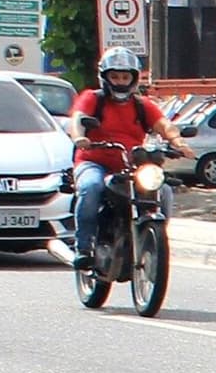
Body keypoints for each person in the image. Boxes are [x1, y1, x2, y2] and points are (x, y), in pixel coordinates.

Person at [66, 46, 170, 265]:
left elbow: (164, 125)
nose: (120, 81)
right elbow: (77, 120)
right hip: (93, 161)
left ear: (133, 78)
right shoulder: (93, 99)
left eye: (125, 76)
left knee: (164, 189)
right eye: (115, 76)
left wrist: (179, 142)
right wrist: (79, 138)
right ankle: (83, 247)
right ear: (105, 77)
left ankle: (154, 239)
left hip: (130, 165)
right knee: (91, 187)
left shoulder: (142, 105)